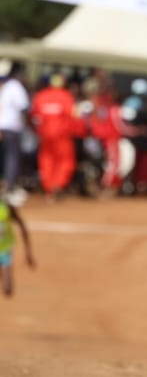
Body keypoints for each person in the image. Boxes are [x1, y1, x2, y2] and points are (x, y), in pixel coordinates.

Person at [30, 74, 79, 199]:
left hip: (45, 135)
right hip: (62, 136)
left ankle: (48, 187)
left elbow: (33, 115)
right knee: (65, 160)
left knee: (46, 160)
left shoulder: (40, 96)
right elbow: (74, 115)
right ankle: (57, 185)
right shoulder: (66, 97)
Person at [0, 64, 31, 195]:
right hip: (11, 127)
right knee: (11, 157)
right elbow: (24, 107)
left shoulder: (5, 87)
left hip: (2, 127)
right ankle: (10, 186)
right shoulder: (15, 86)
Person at [0, 192, 35, 298]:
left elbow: (22, 227)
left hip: (5, 249)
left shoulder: (7, 207)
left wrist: (28, 253)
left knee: (8, 289)